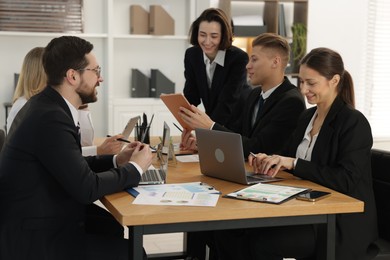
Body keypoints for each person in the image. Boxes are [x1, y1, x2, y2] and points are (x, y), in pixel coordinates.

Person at [214, 48, 378, 260]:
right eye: (301, 81)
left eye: (311, 83)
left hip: (337, 222)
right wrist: (269, 159)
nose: (303, 89)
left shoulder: (354, 122)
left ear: (334, 80)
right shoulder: (307, 117)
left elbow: (345, 180)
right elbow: (287, 156)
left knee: (263, 243)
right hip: (305, 209)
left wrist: (292, 163)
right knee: (231, 231)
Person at [0, 36, 153, 260]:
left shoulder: (46, 105)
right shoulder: (51, 117)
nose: (100, 78)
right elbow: (87, 188)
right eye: (95, 71)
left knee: (110, 226)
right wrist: (135, 168)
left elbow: (71, 163)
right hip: (34, 238)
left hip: (38, 217)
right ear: (72, 76)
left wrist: (117, 161)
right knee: (134, 252)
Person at [180, 33, 306, 157]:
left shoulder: (292, 102)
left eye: (254, 59)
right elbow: (239, 138)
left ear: (275, 62)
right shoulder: (254, 94)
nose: (247, 66)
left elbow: (258, 148)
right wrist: (203, 144)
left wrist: (210, 126)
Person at [6, 47, 123, 156]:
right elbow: (59, 154)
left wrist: (81, 106)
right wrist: (99, 150)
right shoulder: (26, 106)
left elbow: (85, 143)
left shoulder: (52, 104)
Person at [183, 8, 249, 127]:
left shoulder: (239, 58)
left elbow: (227, 102)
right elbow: (191, 95)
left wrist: (207, 129)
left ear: (223, 36)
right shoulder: (192, 55)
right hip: (212, 122)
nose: (207, 42)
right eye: (202, 35)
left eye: (214, 36)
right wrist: (187, 126)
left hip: (238, 122)